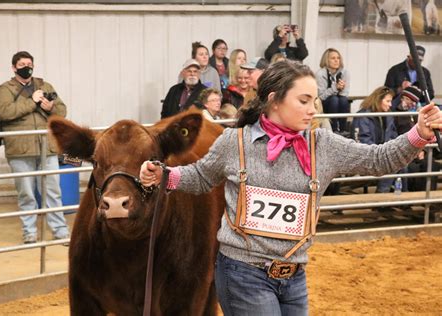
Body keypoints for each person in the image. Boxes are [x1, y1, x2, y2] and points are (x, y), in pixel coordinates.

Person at [140, 60, 442, 314]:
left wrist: (418, 133)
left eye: (314, 101)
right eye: (303, 101)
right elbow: (202, 176)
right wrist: (165, 176)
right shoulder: (236, 142)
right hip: (242, 272)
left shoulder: (322, 145)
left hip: (294, 275)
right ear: (273, 99)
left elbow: (379, 159)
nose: (313, 109)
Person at [0, 51, 70, 244]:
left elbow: (62, 111)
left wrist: (50, 107)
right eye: (22, 64)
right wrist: (32, 102)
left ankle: (60, 230)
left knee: (53, 191)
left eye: (30, 63)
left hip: (47, 148)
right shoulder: (5, 88)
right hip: (20, 149)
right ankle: (30, 232)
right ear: (14, 68)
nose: (27, 67)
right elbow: (4, 112)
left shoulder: (44, 85)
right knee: (26, 193)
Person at [351, 86, 399, 193]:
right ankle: (381, 199)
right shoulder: (363, 116)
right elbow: (360, 142)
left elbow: (393, 136)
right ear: (378, 100)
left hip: (382, 154)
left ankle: (403, 199)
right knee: (391, 166)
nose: (390, 104)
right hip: (366, 157)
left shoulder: (388, 116)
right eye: (388, 101)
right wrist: (381, 153)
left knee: (403, 164)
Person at [316, 48, 351, 134]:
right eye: (333, 58)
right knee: (334, 99)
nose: (336, 60)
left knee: (343, 100)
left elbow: (344, 94)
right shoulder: (320, 74)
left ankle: (343, 129)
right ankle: (334, 129)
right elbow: (321, 96)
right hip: (325, 103)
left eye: (338, 58)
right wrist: (335, 88)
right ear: (326, 60)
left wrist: (341, 88)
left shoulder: (345, 72)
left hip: (339, 101)